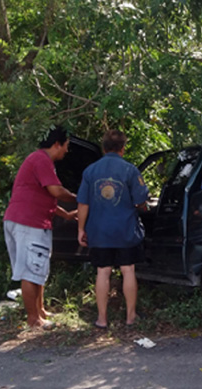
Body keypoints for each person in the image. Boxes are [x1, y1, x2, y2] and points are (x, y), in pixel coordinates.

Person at [3, 126, 77, 330]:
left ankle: (40, 311)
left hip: (21, 220)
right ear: (56, 144)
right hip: (29, 223)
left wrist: (67, 214)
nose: (67, 151)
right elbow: (56, 191)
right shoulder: (42, 160)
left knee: (37, 269)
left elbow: (46, 198)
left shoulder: (37, 160)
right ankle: (33, 320)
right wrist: (80, 199)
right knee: (30, 270)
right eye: (66, 146)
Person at [76, 129, 149, 329]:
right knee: (128, 270)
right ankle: (131, 317)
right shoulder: (130, 170)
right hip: (125, 229)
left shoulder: (90, 171)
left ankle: (102, 319)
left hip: (99, 231)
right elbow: (141, 200)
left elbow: (83, 204)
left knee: (103, 272)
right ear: (123, 149)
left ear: (104, 147)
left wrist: (81, 229)